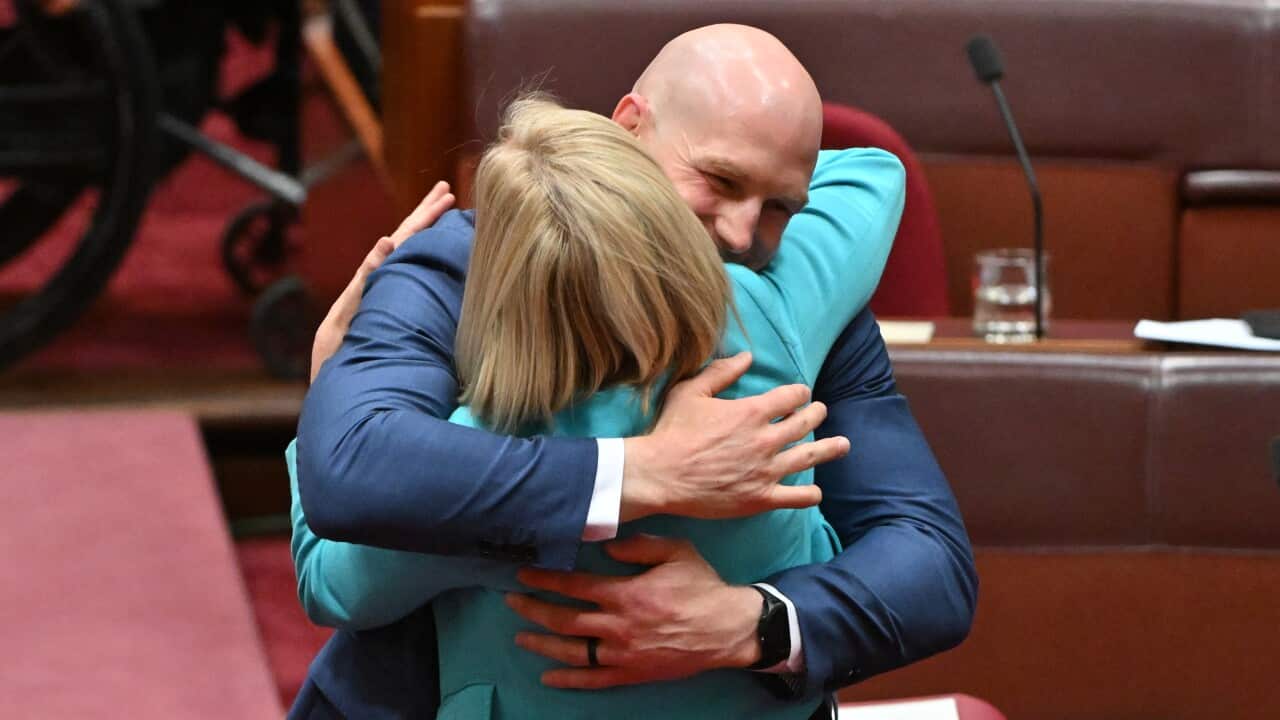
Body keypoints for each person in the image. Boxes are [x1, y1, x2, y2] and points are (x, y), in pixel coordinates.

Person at [294, 23, 976, 719]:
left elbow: (929, 560)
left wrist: (748, 625)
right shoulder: (458, 266)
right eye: (720, 179)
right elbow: (354, 468)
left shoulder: (785, 292)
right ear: (629, 127)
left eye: (779, 206)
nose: (743, 237)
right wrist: (642, 471)